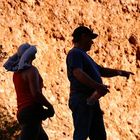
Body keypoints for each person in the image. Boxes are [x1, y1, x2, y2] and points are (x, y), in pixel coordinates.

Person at [66, 26, 134, 140]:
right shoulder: (75, 53)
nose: (92, 42)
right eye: (90, 38)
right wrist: (97, 86)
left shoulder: (85, 56)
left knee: (99, 135)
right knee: (81, 135)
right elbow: (77, 73)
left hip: (91, 100)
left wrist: (120, 72)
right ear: (83, 37)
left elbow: (101, 70)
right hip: (82, 99)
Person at [3, 43, 55, 140]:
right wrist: (49, 106)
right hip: (31, 111)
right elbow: (35, 93)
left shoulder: (16, 74)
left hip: (22, 112)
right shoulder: (31, 70)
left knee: (43, 138)